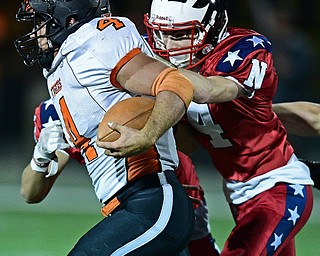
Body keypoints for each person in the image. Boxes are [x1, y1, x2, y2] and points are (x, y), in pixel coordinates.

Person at [15, 0, 196, 255]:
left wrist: (148, 134)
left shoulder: (95, 44)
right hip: (126, 209)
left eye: (42, 23)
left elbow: (176, 82)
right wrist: (41, 156)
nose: (37, 34)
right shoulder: (63, 91)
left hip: (154, 199)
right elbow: (29, 193)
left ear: (68, 21)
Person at [143, 0, 314, 255]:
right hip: (238, 192)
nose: (166, 45)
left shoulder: (245, 50)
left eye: (179, 35)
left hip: (277, 186)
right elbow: (190, 144)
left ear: (211, 27)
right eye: (160, 34)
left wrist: (147, 67)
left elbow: (210, 90)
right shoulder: (168, 60)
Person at [26, 98, 221, 256]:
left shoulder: (123, 85)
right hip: (128, 205)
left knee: (199, 248)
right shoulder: (56, 112)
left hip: (171, 189)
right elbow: (30, 193)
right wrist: (41, 156)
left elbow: (190, 144)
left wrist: (155, 124)